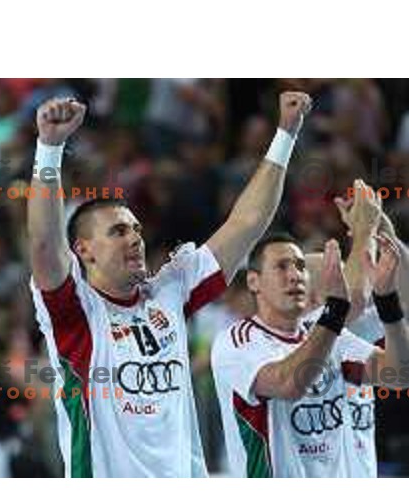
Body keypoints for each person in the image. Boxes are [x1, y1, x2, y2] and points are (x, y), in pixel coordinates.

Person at [28, 93, 311, 477]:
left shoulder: (171, 291)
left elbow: (246, 224)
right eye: (118, 231)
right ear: (84, 250)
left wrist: (286, 134)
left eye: (136, 230)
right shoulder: (75, 310)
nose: (134, 238)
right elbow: (45, 243)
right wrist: (50, 148)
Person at [211, 212, 409, 477]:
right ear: (253, 281)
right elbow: (289, 383)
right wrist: (335, 311)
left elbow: (399, 375)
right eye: (282, 266)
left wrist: (387, 301)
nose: (294, 275)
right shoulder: (237, 341)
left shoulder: (328, 329)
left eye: (300, 267)